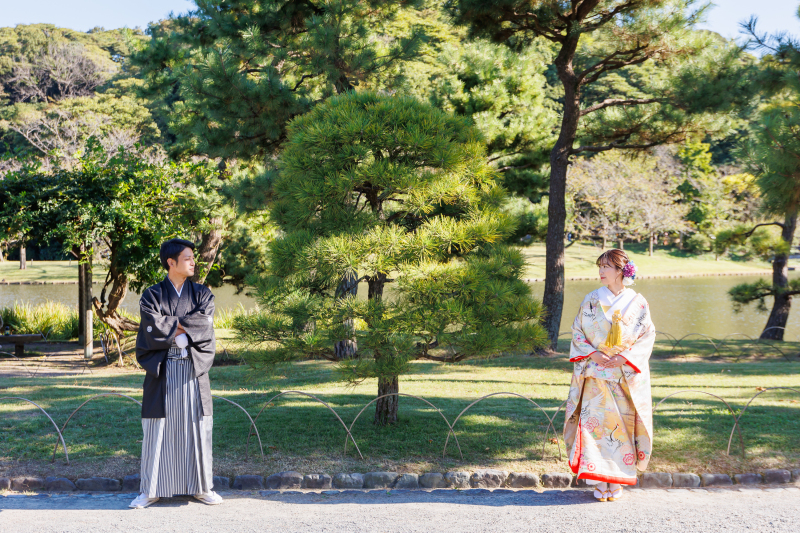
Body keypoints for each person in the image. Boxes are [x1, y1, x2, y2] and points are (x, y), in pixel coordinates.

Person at [129, 239, 221, 509]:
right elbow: (151, 327)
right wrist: (183, 332)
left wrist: (171, 329)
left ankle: (202, 488)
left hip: (192, 370)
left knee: (196, 428)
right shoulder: (152, 295)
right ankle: (151, 490)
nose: (194, 262)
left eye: (193, 258)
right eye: (188, 258)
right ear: (171, 262)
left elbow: (204, 325)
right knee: (159, 430)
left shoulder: (203, 294)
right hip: (164, 371)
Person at [563, 249, 655, 502]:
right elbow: (577, 330)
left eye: (606, 267)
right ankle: (597, 478)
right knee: (593, 428)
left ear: (621, 271)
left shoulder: (638, 302)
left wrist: (624, 358)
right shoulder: (591, 298)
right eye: (599, 267)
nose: (601, 272)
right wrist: (592, 353)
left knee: (620, 429)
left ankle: (616, 480)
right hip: (595, 372)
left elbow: (647, 335)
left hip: (622, 374)